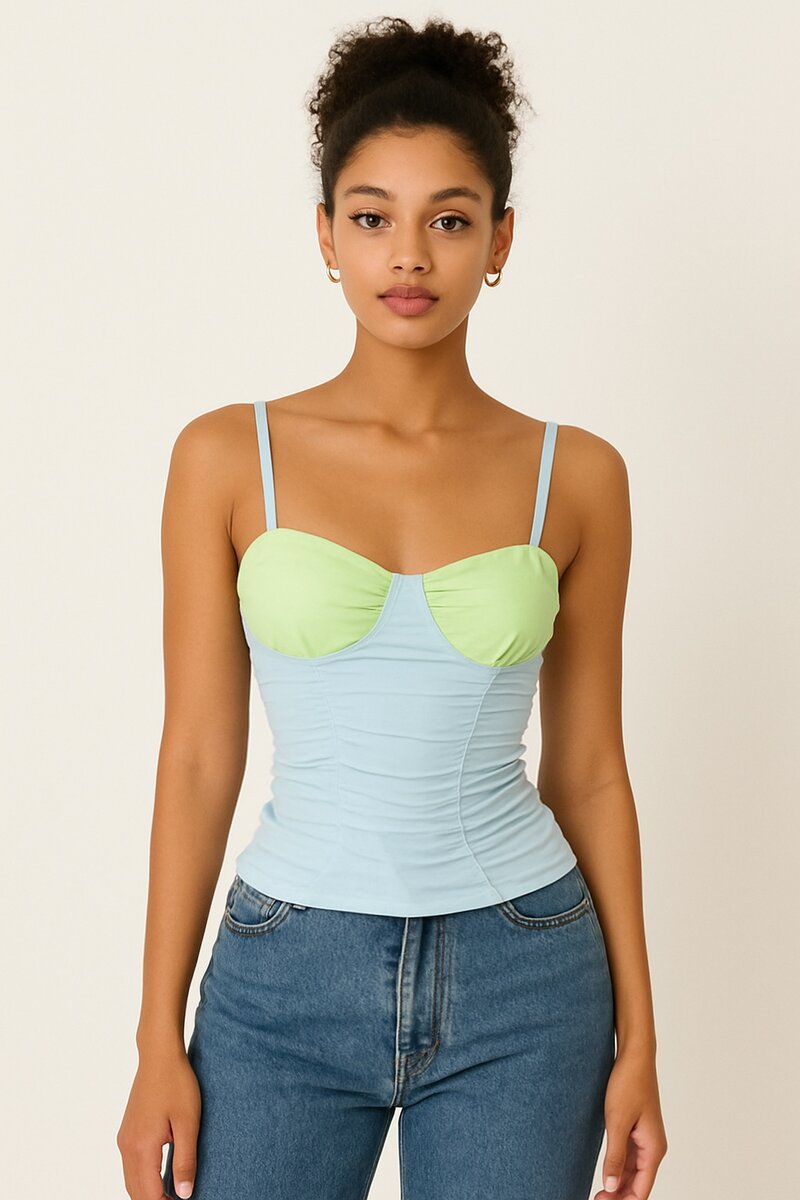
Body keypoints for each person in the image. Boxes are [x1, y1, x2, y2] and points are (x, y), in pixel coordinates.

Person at [117, 15, 667, 1200]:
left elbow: (588, 771)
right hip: (283, 978)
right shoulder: (227, 458)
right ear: (324, 234)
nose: (407, 256)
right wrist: (156, 1036)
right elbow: (198, 758)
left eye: (448, 220)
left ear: (499, 239)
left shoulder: (576, 476)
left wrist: (641, 1042)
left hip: (527, 978)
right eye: (371, 218)